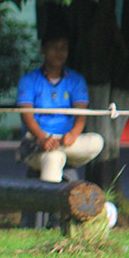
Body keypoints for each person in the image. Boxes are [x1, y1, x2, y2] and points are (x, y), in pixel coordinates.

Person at [15, 30, 104, 183]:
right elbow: (26, 116)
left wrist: (73, 135)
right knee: (54, 158)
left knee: (97, 141)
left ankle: (40, 147)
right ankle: (39, 147)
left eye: (64, 48)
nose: (59, 52)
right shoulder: (29, 80)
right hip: (37, 137)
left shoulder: (76, 80)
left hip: (66, 141)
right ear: (43, 50)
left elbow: (81, 115)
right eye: (54, 47)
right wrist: (42, 139)